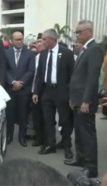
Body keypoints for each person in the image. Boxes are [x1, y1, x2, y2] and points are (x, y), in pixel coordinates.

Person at [65, 20, 104, 178]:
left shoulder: (94, 49)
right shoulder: (85, 49)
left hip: (84, 102)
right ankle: (80, 158)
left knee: (87, 134)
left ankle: (91, 167)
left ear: (88, 31)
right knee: (80, 132)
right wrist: (73, 98)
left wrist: (86, 101)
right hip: (77, 100)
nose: (77, 35)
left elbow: (92, 78)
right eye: (76, 32)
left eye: (79, 32)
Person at [33, 29, 75, 159]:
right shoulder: (43, 54)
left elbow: (72, 75)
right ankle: (50, 144)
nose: (42, 42)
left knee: (65, 119)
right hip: (46, 90)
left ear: (52, 39)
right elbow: (39, 74)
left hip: (61, 91)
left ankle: (66, 145)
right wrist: (36, 91)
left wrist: (70, 94)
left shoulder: (66, 53)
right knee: (48, 119)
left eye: (44, 39)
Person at [5, 31, 35, 147]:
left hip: (24, 89)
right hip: (10, 88)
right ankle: (9, 136)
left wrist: (21, 83)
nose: (19, 41)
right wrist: (12, 82)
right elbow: (5, 69)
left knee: (23, 114)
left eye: (21, 39)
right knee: (10, 114)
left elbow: (31, 70)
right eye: (17, 39)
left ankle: (22, 137)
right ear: (12, 40)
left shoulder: (30, 54)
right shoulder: (6, 53)